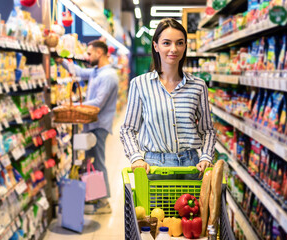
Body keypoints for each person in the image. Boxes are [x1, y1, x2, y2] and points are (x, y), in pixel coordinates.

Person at [120, 18, 216, 177]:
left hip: (191, 167)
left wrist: (206, 156)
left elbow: (207, 130)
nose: (174, 49)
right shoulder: (140, 84)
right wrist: (136, 158)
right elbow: (128, 129)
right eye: (166, 43)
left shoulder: (198, 86)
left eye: (179, 43)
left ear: (185, 46)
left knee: (191, 203)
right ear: (155, 46)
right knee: (155, 204)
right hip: (154, 167)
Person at [56, 40, 119, 214]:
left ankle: (104, 202)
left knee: (98, 162)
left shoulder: (109, 76)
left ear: (99, 53)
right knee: (92, 162)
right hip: (91, 124)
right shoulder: (96, 71)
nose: (86, 57)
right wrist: (62, 61)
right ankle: (96, 197)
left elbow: (98, 103)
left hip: (99, 125)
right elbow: (80, 72)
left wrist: (74, 106)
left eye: (89, 54)